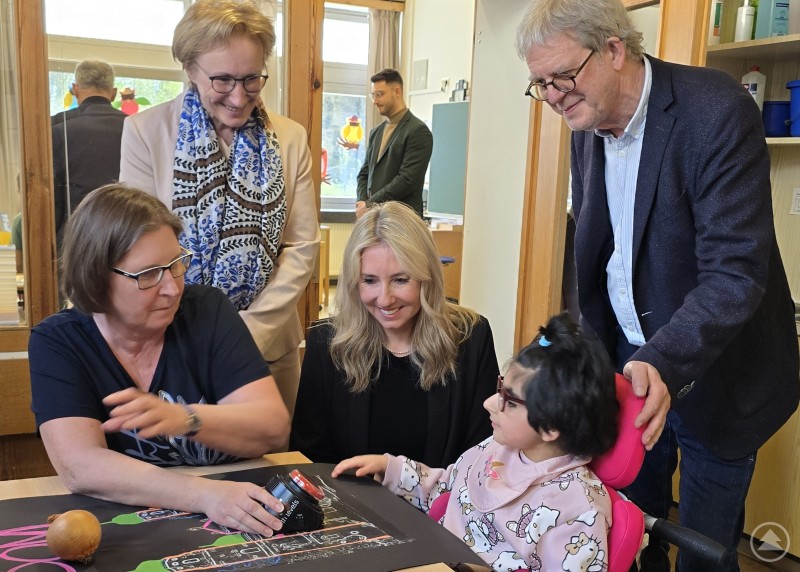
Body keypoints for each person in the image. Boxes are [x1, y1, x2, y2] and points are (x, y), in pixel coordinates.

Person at [516, 1, 800, 570]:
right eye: (539, 84)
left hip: (718, 376)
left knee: (702, 547)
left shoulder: (715, 110)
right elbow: (603, 255)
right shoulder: (586, 121)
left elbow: (736, 273)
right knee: (627, 528)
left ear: (615, 50)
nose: (552, 96)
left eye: (562, 77)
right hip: (630, 366)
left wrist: (663, 362)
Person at [29, 184, 291, 537]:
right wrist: (203, 494)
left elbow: (272, 428)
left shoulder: (207, 311)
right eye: (148, 274)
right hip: (149, 521)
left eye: (176, 264)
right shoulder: (58, 341)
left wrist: (185, 418)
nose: (172, 287)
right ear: (95, 278)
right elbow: (80, 467)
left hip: (239, 506)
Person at [119, 0, 319, 416]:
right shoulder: (145, 132)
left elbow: (301, 247)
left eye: (251, 79)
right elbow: (138, 248)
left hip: (267, 346)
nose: (238, 96)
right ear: (190, 68)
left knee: (269, 466)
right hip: (173, 343)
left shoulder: (291, 137)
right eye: (223, 79)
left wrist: (247, 333)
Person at [332, 313, 619, 572]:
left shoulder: (578, 510)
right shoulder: (492, 450)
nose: (489, 403)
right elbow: (444, 490)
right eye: (499, 388)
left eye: (509, 400)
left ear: (552, 426)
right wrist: (389, 468)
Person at [290, 201, 499, 468]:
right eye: (369, 281)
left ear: (427, 277)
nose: (385, 299)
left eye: (401, 280)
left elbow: (482, 456)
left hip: (441, 507)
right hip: (352, 505)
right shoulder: (326, 343)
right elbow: (310, 460)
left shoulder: (471, 337)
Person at [51, 59, 126, 250]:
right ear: (114, 92)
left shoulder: (55, 127)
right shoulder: (136, 127)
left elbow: (53, 197)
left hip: (72, 240)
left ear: (76, 89)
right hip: (125, 235)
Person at [355, 69, 433, 219]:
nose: (375, 101)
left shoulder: (418, 131)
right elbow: (364, 173)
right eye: (373, 95)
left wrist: (371, 204)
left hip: (402, 222)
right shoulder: (375, 132)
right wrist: (362, 201)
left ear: (397, 92)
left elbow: (406, 180)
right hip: (375, 219)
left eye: (380, 94)